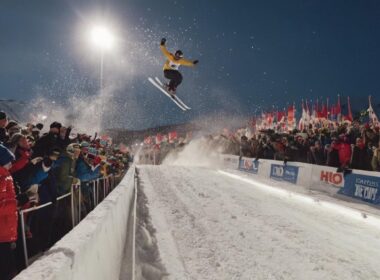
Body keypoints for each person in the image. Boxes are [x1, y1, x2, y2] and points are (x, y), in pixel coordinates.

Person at [0, 144, 17, 280]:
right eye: (8, 161)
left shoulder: (6, 176)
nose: (11, 164)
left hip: (6, 230)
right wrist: (17, 203)